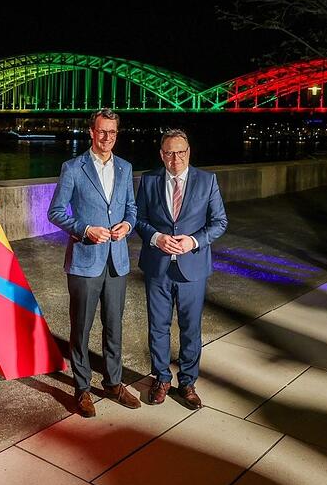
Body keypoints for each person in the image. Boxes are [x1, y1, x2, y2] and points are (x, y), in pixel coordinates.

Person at [48, 109, 141, 418]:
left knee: (114, 326)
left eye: (112, 132)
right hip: (85, 261)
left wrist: (128, 225)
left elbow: (131, 209)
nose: (107, 138)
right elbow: (56, 212)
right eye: (102, 132)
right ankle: (83, 388)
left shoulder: (126, 168)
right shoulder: (73, 168)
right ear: (91, 132)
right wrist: (85, 230)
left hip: (117, 261)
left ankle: (114, 383)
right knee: (82, 328)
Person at [134, 129, 227, 410]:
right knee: (158, 327)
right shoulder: (149, 180)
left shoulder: (207, 180)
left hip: (193, 268)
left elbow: (219, 221)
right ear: (162, 154)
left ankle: (187, 382)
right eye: (170, 153)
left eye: (181, 152)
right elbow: (138, 219)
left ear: (189, 152)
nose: (176, 158)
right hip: (157, 266)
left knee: (190, 328)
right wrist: (155, 237)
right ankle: (161, 378)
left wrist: (194, 241)